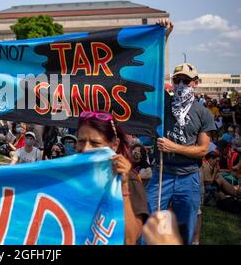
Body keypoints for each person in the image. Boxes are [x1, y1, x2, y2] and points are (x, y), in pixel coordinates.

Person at [146, 60, 215, 245]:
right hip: (162, 173)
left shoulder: (204, 113)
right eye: (178, 80)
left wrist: (173, 147)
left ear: (196, 82)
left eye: (187, 80)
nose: (182, 85)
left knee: (185, 228)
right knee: (149, 223)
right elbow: (152, 73)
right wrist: (164, 35)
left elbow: (202, 150)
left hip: (189, 177)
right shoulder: (163, 104)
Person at [76, 111, 148, 245]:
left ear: (114, 145)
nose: (85, 149)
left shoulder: (128, 178)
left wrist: (124, 186)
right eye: (81, 141)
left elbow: (130, 239)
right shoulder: (72, 176)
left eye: (94, 143)